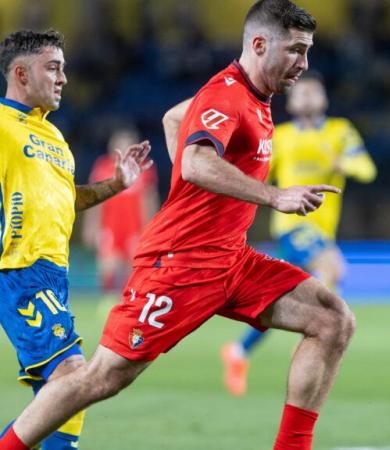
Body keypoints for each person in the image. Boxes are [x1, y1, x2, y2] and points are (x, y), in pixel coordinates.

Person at [0, 2, 355, 450]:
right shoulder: (227, 97)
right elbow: (193, 161)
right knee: (101, 377)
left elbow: (174, 119)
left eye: (307, 52)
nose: (304, 63)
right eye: (296, 50)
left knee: (332, 319)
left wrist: (196, 204)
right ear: (260, 44)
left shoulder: (253, 98)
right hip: (181, 263)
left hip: (230, 257)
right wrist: (273, 196)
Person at [0, 30, 153, 450]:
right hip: (18, 270)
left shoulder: (53, 139)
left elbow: (68, 198)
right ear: (21, 74)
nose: (63, 77)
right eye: (53, 68)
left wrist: (116, 185)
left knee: (60, 393)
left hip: (54, 274)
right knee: (74, 375)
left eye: (64, 68)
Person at [220, 70, 376, 396]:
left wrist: (343, 165)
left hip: (322, 230)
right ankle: (315, 337)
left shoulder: (340, 131)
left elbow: (366, 169)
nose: (306, 97)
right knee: (333, 268)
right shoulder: (281, 136)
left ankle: (237, 352)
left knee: (274, 299)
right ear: (290, 101)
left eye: (313, 92)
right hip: (293, 226)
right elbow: (258, 173)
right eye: (300, 93)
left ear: (324, 99)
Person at [82, 125, 159, 297]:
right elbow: (94, 199)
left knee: (134, 270)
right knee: (108, 267)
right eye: (119, 144)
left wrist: (151, 230)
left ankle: (130, 303)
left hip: (134, 227)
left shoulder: (144, 169)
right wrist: (91, 226)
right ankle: (107, 303)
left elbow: (149, 201)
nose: (124, 147)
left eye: (127, 143)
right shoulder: (102, 166)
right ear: (112, 146)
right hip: (111, 226)